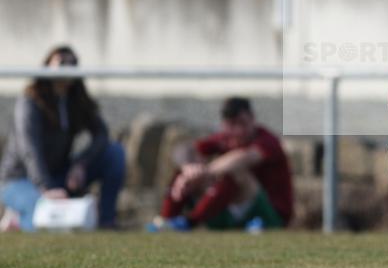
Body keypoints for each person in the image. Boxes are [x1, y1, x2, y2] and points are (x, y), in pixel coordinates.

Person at [0, 45, 125, 231]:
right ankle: (17, 218)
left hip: (58, 175)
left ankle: (106, 221)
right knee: (44, 218)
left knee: (114, 153)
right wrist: (45, 188)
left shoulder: (76, 101)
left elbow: (101, 134)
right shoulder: (30, 102)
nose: (67, 67)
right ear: (47, 65)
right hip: (20, 179)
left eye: (73, 63)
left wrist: (81, 164)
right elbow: (29, 150)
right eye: (61, 62)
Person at [153, 97, 293, 231]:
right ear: (224, 124)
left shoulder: (267, 141)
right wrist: (187, 168)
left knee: (235, 172)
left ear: (252, 119)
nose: (238, 131)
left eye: (242, 123)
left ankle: (190, 222)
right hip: (235, 212)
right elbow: (184, 150)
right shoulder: (224, 139)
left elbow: (243, 157)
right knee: (186, 171)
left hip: (272, 216)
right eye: (232, 125)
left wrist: (202, 173)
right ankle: (166, 222)